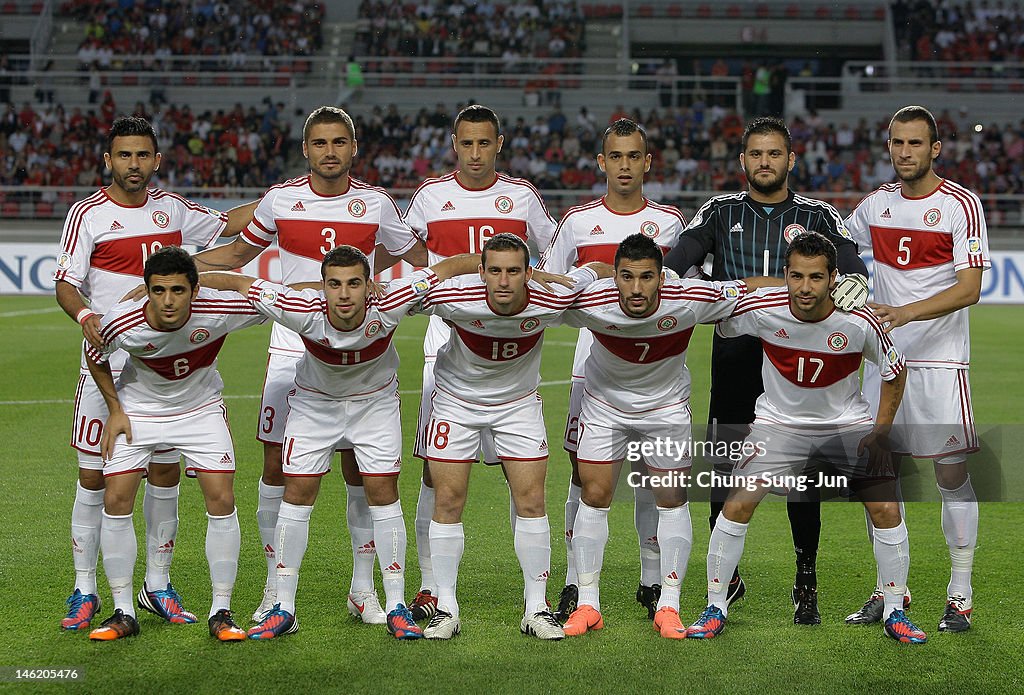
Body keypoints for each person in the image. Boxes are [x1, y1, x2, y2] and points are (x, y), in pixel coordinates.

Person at [189, 106, 428, 625]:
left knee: (361, 472)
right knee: (279, 468)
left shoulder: (376, 203)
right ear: (306, 149)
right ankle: (276, 590)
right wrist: (177, 264)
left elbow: (417, 254)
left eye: (339, 142)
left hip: (356, 339)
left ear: (354, 147)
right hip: (291, 344)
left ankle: (364, 590)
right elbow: (234, 257)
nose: (330, 152)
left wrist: (361, 283)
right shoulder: (280, 201)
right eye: (320, 143)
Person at [201, 246, 488, 640]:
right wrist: (177, 281)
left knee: (383, 494)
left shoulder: (394, 298)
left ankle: (396, 605)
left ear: (370, 285)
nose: (344, 293)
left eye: (354, 283)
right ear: (322, 287)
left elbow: (451, 264)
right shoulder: (299, 307)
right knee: (297, 493)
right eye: (334, 284)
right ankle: (284, 607)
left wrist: (532, 275)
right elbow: (239, 282)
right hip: (314, 407)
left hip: (375, 407)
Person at [663, 115, 869, 625]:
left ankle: (806, 577)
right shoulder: (720, 209)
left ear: (790, 160)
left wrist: (856, 280)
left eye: (774, 153)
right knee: (726, 467)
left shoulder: (817, 213)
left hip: (802, 360)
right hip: (736, 355)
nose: (764, 162)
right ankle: (724, 584)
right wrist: (676, 276)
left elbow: (850, 259)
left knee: (805, 474)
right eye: (755, 154)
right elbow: (681, 254)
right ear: (742, 162)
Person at [53, 116, 255, 632]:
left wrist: (287, 204)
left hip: (165, 368)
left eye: (143, 155)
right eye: (125, 155)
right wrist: (86, 317)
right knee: (95, 477)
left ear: (157, 161)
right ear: (109, 160)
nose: (134, 164)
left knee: (164, 474)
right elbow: (66, 283)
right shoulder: (88, 215)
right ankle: (85, 588)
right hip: (108, 359)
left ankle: (157, 584)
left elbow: (229, 226)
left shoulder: (173, 210)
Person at [683, 232, 927, 645]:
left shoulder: (859, 320)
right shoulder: (766, 310)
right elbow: (717, 313)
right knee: (737, 503)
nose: (804, 287)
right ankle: (715, 606)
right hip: (778, 425)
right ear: (786, 276)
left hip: (847, 426)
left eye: (815, 278)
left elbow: (895, 370)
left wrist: (881, 432)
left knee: (886, 508)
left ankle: (895, 610)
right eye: (796, 276)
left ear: (834, 278)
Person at [558, 233, 773, 639]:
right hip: (604, 409)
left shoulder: (691, 297)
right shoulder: (591, 300)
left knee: (671, 500)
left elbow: (751, 287)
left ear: (662, 277)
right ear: (615, 277)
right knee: (595, 494)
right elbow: (533, 295)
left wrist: (824, 286)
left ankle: (669, 605)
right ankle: (589, 603)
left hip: (666, 411)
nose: (636, 289)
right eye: (626, 277)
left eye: (646, 277)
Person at [402, 104, 556, 623]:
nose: (474, 153)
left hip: (510, 327)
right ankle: (430, 586)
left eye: (483, 144)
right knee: (436, 475)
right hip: (447, 333)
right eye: (466, 144)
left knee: (526, 481)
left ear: (499, 144)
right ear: (454, 144)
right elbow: (410, 259)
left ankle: (536, 596)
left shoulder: (523, 197)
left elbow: (551, 258)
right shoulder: (429, 197)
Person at [416, 233, 609, 641]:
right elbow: (399, 297)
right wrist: (429, 274)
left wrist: (563, 275)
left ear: (528, 273)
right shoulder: (454, 298)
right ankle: (445, 607)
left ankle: (535, 608)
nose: (504, 281)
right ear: (481, 272)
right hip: (456, 404)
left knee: (532, 501)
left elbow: (597, 271)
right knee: (447, 500)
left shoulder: (551, 297)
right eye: (495, 271)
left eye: (514, 271)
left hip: (518, 406)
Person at [843, 105, 989, 633]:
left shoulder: (960, 206)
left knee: (950, 476)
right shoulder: (875, 206)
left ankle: (961, 594)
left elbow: (970, 287)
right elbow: (842, 247)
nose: (904, 153)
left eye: (914, 144)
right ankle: (891, 591)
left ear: (935, 149)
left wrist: (904, 311)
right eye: (897, 144)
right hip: (884, 362)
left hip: (940, 362)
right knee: (880, 478)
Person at [538, 118, 689, 623]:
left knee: (653, 475)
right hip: (592, 365)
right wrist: (592, 275)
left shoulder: (669, 224)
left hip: (657, 368)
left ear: (648, 162)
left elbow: (685, 285)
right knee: (586, 480)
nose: (625, 166)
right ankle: (572, 583)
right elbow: (551, 279)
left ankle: (652, 580)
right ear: (601, 163)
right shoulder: (579, 222)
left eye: (634, 157)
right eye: (615, 157)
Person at [84, 247, 266, 641]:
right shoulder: (122, 321)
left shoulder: (221, 310)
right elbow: (94, 352)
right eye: (158, 290)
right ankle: (123, 611)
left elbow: (279, 296)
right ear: (146, 289)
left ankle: (221, 610)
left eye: (179, 290)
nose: (168, 301)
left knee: (221, 499)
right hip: (139, 411)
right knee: (116, 499)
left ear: (195, 290)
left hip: (200, 411)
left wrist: (233, 279)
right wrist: (115, 408)